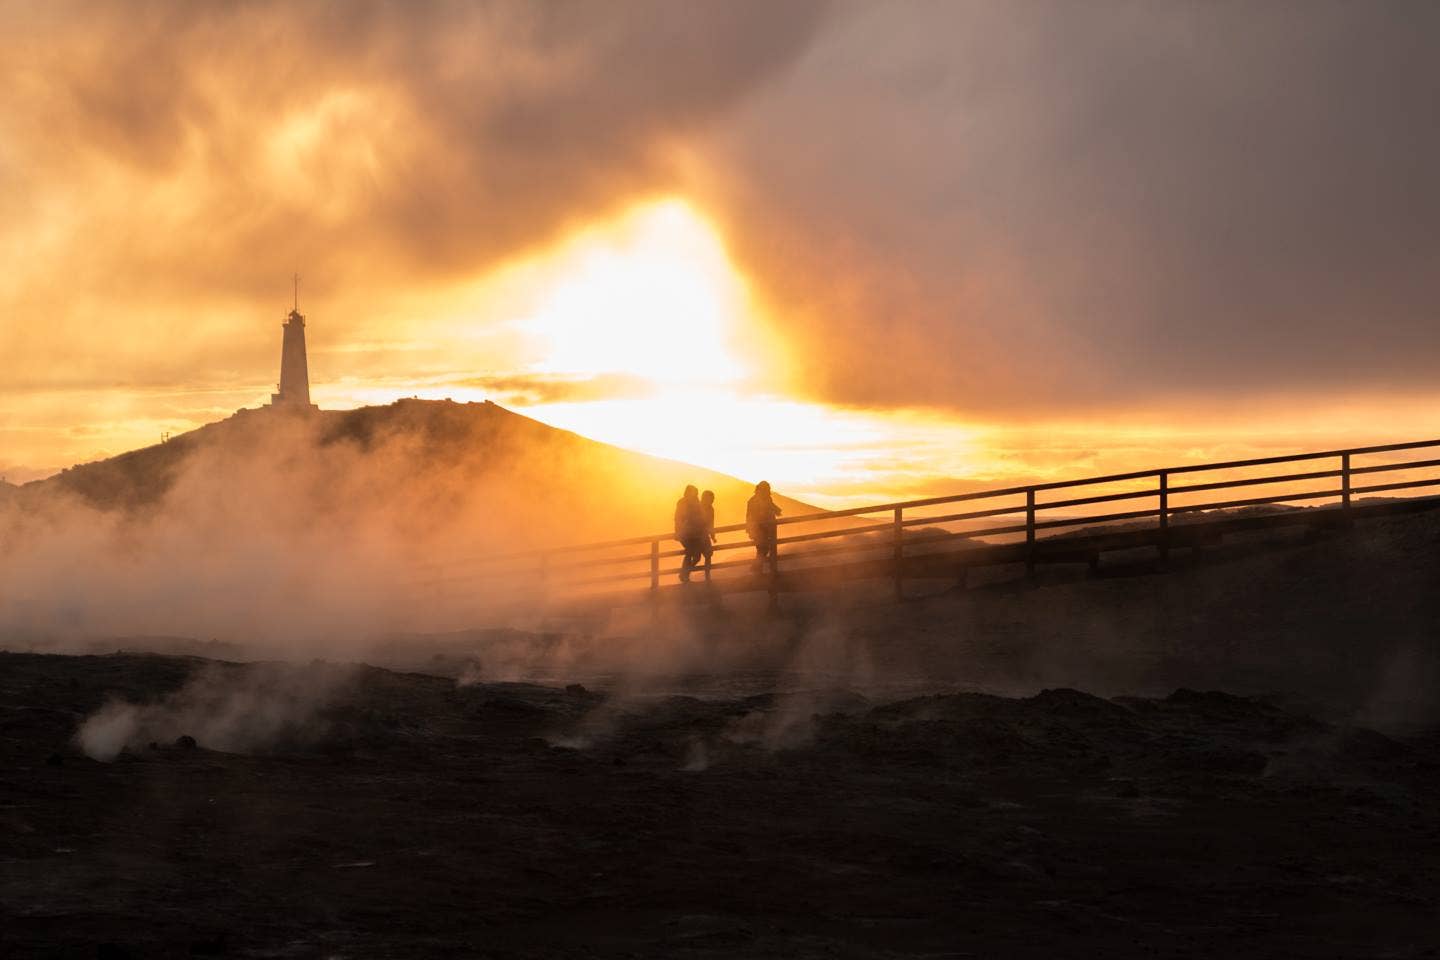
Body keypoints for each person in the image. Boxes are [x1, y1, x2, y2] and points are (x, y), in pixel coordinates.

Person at [745, 480, 782, 573]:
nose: (768, 491)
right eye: (767, 489)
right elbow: (749, 516)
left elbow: (772, 507)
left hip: (768, 530)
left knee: (763, 550)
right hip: (758, 530)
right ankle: (756, 569)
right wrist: (750, 530)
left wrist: (777, 511)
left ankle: (757, 570)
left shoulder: (766, 499)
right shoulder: (753, 501)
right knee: (763, 549)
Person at [673, 485, 705, 582]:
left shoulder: (696, 503)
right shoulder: (682, 502)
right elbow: (678, 518)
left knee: (695, 555)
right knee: (691, 553)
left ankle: (684, 574)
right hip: (686, 533)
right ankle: (684, 575)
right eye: (695, 493)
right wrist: (679, 531)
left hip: (694, 533)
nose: (696, 495)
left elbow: (701, 517)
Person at [699, 490, 717, 581]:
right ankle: (685, 574)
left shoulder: (710, 508)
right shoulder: (697, 507)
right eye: (712, 498)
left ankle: (707, 576)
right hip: (697, 536)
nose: (713, 500)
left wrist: (713, 536)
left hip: (704, 535)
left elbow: (711, 523)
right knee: (696, 556)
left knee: (708, 554)